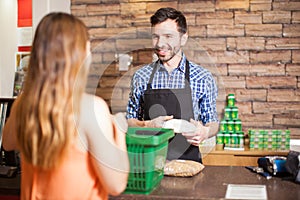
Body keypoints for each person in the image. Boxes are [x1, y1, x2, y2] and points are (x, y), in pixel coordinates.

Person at [3, 12, 129, 200]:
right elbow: (116, 184)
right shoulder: (91, 109)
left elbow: (7, 142)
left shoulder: (23, 103)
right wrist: (119, 131)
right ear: (80, 54)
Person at [126, 7, 219, 163]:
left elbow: (213, 122)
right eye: (155, 36)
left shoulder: (203, 77)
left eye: (168, 36)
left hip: (188, 162)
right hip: (148, 164)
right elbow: (129, 121)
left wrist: (205, 131)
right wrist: (147, 124)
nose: (160, 43)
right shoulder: (141, 77)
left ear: (183, 38)